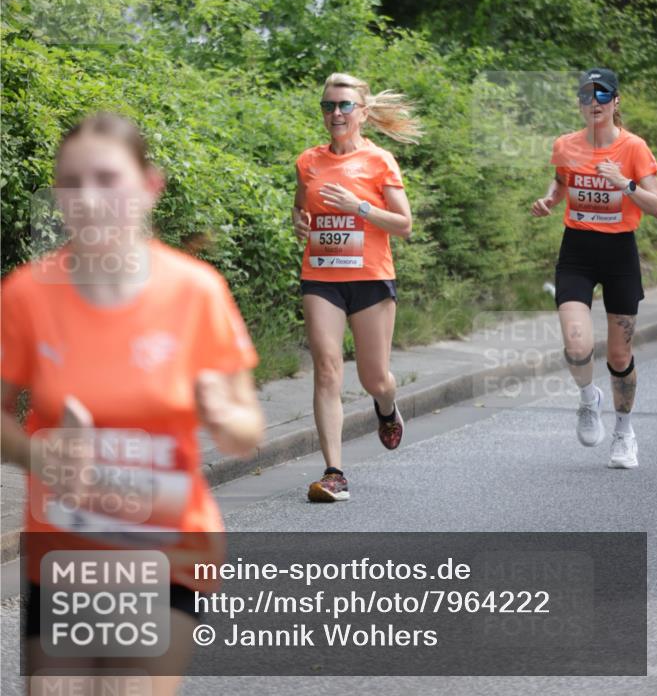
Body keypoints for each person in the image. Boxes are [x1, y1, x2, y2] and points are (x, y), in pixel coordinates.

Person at [1, 112, 265, 696]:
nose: (88, 200)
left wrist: (224, 414)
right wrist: (39, 456)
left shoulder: (195, 292)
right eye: (70, 183)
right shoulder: (26, 295)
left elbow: (247, 432)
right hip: (62, 547)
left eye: (106, 179)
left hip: (165, 546)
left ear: (150, 186)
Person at [293, 73, 420, 502]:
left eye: (345, 105)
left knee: (374, 377)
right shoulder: (308, 160)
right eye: (328, 105)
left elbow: (404, 225)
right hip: (322, 277)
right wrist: (300, 223)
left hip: (370, 278)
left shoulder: (379, 160)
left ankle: (386, 404)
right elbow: (300, 209)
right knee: (327, 368)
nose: (335, 113)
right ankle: (334, 472)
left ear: (362, 112)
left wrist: (359, 207)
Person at [531, 68, 657, 469]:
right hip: (578, 251)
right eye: (587, 96)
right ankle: (589, 399)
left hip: (620, 253)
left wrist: (624, 183)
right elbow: (561, 182)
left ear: (616, 101)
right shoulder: (565, 145)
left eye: (602, 95)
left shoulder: (634, 148)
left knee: (620, 356)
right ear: (579, 102)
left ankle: (624, 431)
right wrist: (550, 200)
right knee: (577, 346)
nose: (595, 103)